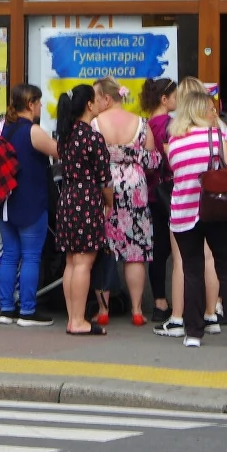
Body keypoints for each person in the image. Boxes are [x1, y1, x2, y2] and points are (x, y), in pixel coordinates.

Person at [166, 82, 227, 348]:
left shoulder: (174, 142)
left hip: (183, 214)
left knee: (191, 272)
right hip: (215, 211)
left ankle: (193, 333)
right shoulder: (217, 137)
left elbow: (177, 173)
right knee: (226, 269)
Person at [154, 76, 223, 338]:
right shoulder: (218, 128)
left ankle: (178, 318)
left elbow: (171, 163)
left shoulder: (177, 131)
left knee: (182, 260)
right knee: (210, 258)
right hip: (212, 203)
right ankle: (211, 314)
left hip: (184, 201)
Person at [92, 76, 161, 327]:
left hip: (105, 189)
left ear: (107, 98)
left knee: (105, 249)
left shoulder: (96, 124)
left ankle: (103, 310)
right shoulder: (141, 123)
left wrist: (112, 154)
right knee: (136, 252)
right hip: (136, 188)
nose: (95, 102)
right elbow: (154, 161)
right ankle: (137, 310)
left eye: (97, 97)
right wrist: (133, 155)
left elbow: (90, 159)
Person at [0, 84, 58, 327]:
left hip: (4, 202)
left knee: (10, 255)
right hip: (30, 200)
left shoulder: (3, 128)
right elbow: (58, 152)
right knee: (31, 256)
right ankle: (28, 311)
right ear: (30, 104)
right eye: (39, 102)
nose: (41, 106)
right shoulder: (33, 131)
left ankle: (6, 309)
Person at [55, 84, 113, 336]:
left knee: (71, 261)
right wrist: (109, 203)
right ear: (89, 104)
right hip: (87, 199)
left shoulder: (65, 135)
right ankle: (78, 320)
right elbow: (104, 179)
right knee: (83, 263)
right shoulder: (92, 137)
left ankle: (72, 318)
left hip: (67, 199)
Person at [142, 77, 178, 321]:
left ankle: (159, 302)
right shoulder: (171, 125)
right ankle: (181, 302)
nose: (177, 100)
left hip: (153, 192)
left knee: (158, 249)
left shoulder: (145, 125)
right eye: (174, 96)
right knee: (180, 249)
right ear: (164, 99)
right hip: (172, 190)